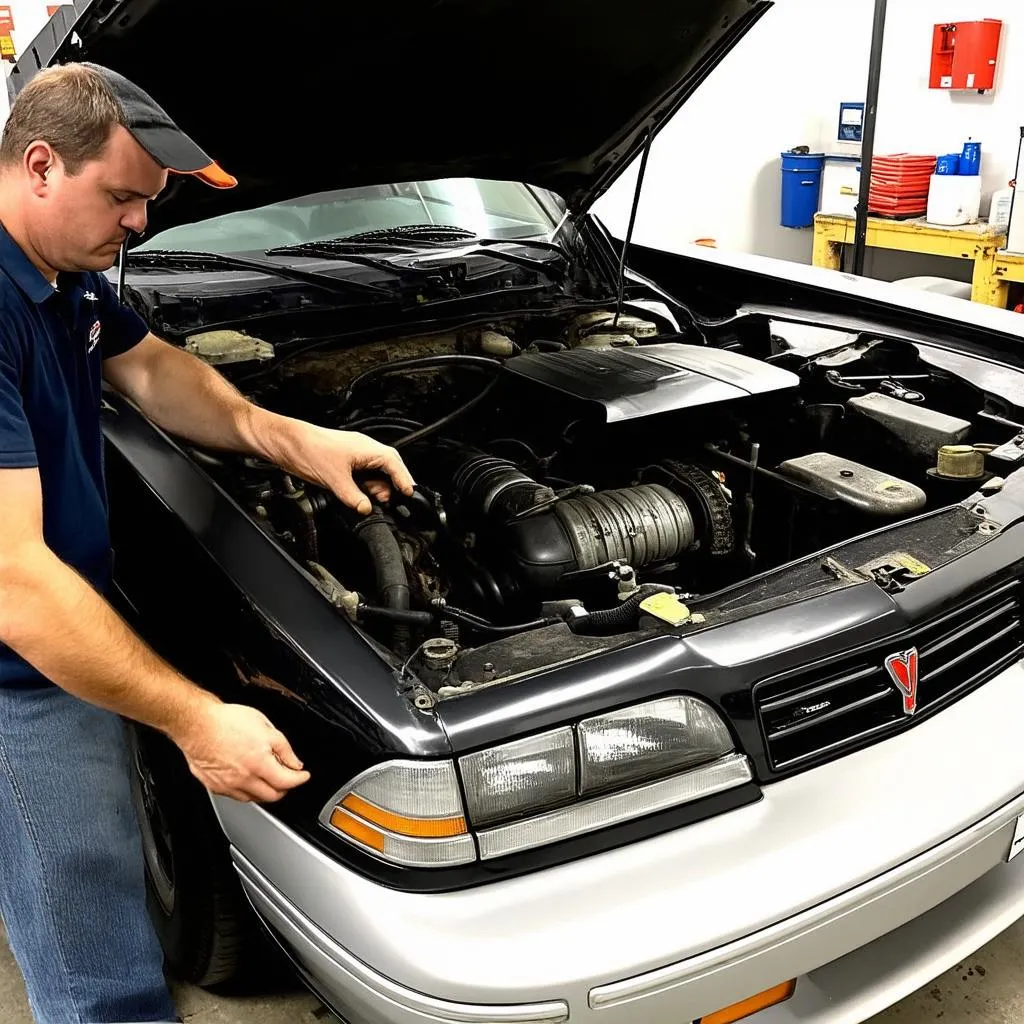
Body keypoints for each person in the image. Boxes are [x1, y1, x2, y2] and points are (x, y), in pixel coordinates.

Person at [0, 62, 415, 1024]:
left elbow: (150, 370)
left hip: (63, 624)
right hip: (21, 679)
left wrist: (293, 438)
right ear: (39, 166)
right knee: (94, 961)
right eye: (124, 197)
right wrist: (195, 720)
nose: (139, 225)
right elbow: (17, 587)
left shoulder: (63, 276)